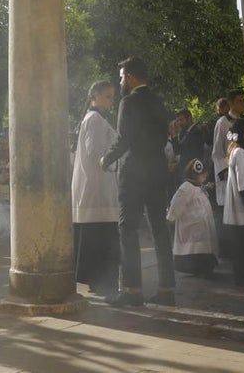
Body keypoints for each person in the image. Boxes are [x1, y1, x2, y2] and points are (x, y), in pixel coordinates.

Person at [101, 56, 176, 307]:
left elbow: (124, 139)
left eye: (122, 76)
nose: (121, 81)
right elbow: (164, 137)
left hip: (134, 174)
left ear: (131, 77)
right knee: (159, 229)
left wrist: (106, 159)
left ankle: (133, 291)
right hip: (157, 171)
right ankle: (167, 289)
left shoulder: (128, 101)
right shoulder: (158, 101)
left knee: (128, 230)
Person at [71, 80, 121, 295]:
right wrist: (118, 163)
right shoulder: (95, 120)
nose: (112, 100)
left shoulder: (94, 118)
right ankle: (101, 280)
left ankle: (98, 280)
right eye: (108, 96)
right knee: (100, 235)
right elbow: (96, 153)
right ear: (96, 96)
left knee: (96, 235)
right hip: (97, 187)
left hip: (96, 186)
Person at [167, 159, 219, 277]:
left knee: (203, 246)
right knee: (195, 246)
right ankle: (196, 267)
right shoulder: (186, 187)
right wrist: (171, 217)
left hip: (201, 226)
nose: (205, 177)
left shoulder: (198, 188)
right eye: (203, 175)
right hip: (192, 226)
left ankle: (204, 267)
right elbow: (177, 203)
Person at [222, 116, 244, 285]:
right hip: (243, 211)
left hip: (238, 210)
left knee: (242, 247)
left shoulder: (236, 151)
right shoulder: (241, 153)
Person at [211, 97, 234, 207]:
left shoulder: (240, 120)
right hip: (226, 169)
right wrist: (223, 169)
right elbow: (217, 151)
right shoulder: (221, 123)